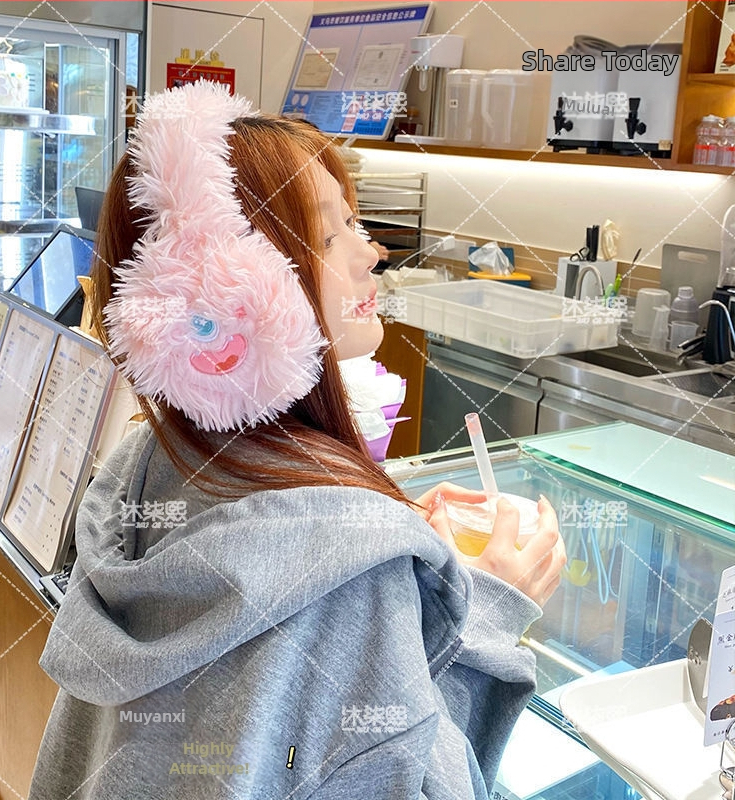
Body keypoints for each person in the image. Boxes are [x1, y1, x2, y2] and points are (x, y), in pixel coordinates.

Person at [29, 81, 565, 800]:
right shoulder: (351, 564)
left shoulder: (141, 464)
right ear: (233, 291)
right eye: (330, 233)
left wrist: (392, 536)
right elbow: (423, 784)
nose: (370, 253)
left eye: (357, 224)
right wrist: (492, 606)